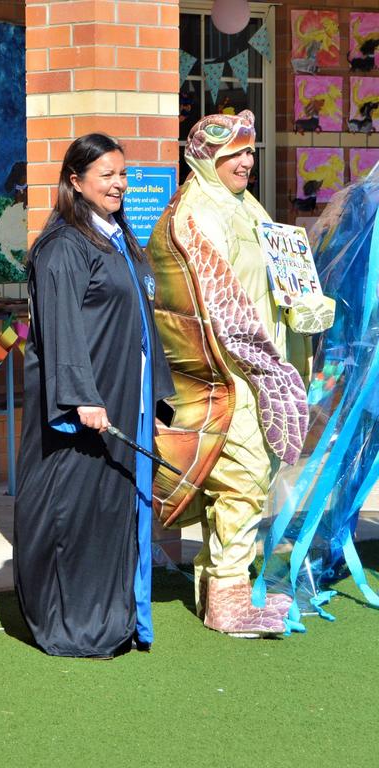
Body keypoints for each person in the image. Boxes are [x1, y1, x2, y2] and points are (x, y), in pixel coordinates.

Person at [145, 111, 312, 636]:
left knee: (245, 479)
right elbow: (217, 303)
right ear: (207, 156)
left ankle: (217, 582)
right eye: (234, 154)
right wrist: (268, 368)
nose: (245, 162)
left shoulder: (240, 202)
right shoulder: (197, 212)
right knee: (240, 478)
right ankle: (228, 600)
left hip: (255, 363)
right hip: (226, 370)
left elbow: (278, 266)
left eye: (250, 152)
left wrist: (306, 301)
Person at [14, 134, 174, 658]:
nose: (119, 184)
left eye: (123, 175)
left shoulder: (118, 237)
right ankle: (77, 624)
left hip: (124, 394)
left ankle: (118, 617)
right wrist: (82, 396)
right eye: (106, 175)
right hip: (86, 407)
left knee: (113, 509)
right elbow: (59, 329)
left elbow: (143, 319)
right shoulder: (64, 245)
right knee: (77, 508)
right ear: (75, 181)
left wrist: (156, 393)